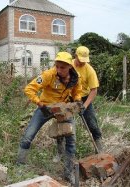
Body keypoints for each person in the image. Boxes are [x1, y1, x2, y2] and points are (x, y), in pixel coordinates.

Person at [16, 51, 82, 184]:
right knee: (28, 135)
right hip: (45, 108)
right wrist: (39, 104)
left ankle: (68, 173)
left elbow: (77, 91)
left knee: (71, 141)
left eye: (62, 67)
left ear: (70, 67)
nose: (58, 70)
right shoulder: (48, 75)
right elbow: (29, 89)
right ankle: (19, 167)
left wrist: (77, 100)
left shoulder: (75, 78)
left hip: (63, 110)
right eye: (57, 66)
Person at [54, 46, 102, 162]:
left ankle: (100, 149)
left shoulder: (89, 70)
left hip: (84, 98)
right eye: (80, 59)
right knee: (62, 124)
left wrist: (84, 105)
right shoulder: (68, 66)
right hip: (67, 96)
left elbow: (94, 90)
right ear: (75, 56)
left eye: (84, 60)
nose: (82, 62)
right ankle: (60, 153)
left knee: (92, 123)